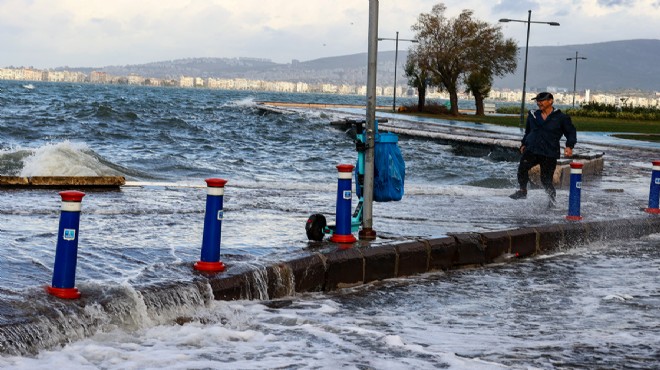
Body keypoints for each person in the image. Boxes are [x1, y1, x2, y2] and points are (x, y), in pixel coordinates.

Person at [509, 92, 577, 207]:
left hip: (549, 152)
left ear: (550, 101)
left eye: (542, 100)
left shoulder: (561, 118)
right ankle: (523, 191)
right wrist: (523, 143)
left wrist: (569, 146)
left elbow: (571, 132)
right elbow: (528, 132)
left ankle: (552, 201)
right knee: (522, 168)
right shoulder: (533, 115)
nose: (539, 103)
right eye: (537, 101)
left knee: (546, 180)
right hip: (532, 149)